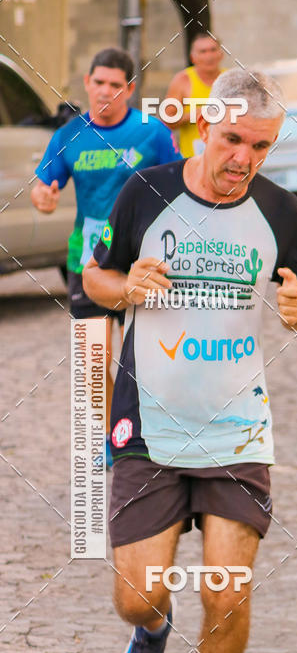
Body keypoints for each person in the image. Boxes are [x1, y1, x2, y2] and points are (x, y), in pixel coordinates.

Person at [82, 68, 297, 653]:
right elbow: (94, 280)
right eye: (232, 139)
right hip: (149, 424)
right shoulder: (145, 193)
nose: (244, 157)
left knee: (227, 588)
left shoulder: (284, 215)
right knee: (137, 594)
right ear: (204, 129)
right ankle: (153, 628)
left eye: (262, 146)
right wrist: (126, 286)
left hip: (237, 428)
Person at [31, 47, 181, 466]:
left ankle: (156, 429)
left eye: (116, 85)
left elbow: (180, 184)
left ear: (130, 90)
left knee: (152, 358)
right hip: (88, 262)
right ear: (88, 84)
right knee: (93, 364)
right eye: (99, 83)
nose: (106, 92)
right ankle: (118, 437)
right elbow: (44, 186)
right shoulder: (68, 136)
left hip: (142, 261)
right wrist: (43, 197)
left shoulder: (152, 133)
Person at [164, 31, 224, 157]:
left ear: (221, 53)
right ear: (192, 57)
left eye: (213, 50)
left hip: (226, 158)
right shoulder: (182, 80)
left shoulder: (232, 79)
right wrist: (198, 113)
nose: (209, 56)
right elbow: (167, 121)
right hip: (192, 159)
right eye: (203, 51)